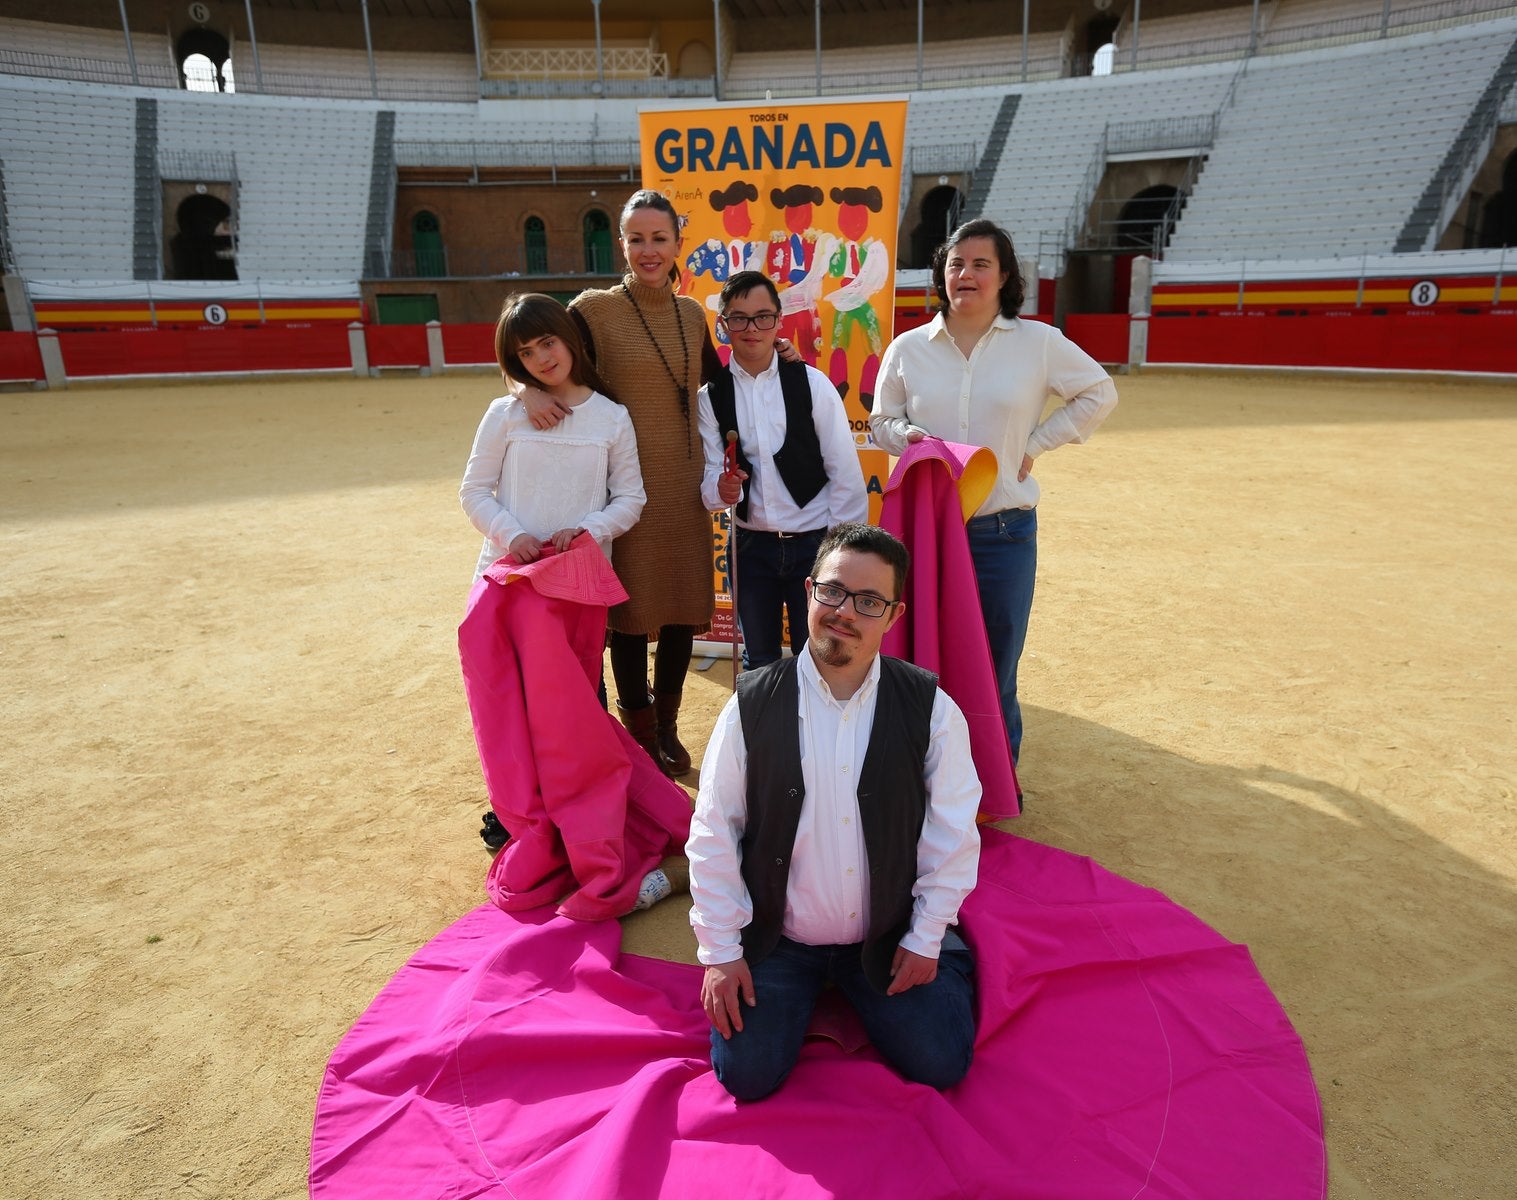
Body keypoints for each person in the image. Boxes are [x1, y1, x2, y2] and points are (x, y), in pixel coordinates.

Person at [686, 523, 982, 1101]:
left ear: (893, 616)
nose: (846, 612)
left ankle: (946, 948)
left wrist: (924, 936)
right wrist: (721, 952)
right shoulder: (750, 703)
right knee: (746, 1076)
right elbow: (714, 829)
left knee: (943, 1059)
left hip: (886, 931)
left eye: (869, 602)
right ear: (808, 591)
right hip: (780, 936)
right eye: (834, 592)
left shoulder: (932, 710)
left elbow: (953, 831)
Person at [869, 218, 1117, 771]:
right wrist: (906, 437)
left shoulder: (1038, 343)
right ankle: (927, 783)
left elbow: (1098, 392)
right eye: (956, 264)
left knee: (997, 668)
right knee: (927, 665)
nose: (967, 274)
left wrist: (1036, 442)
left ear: (1005, 276)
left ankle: (997, 785)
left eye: (982, 264)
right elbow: (880, 421)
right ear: (942, 274)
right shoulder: (909, 348)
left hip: (1002, 535)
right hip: (929, 535)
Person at [520, 190, 722, 778]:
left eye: (659, 238)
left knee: (682, 610)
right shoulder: (592, 310)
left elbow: (718, 380)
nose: (648, 250)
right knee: (630, 617)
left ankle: (668, 727)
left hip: (685, 487)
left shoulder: (691, 315)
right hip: (621, 489)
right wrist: (523, 389)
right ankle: (638, 735)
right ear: (622, 244)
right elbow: (534, 347)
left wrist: (779, 356)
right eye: (636, 238)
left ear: (678, 243)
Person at [460, 292, 647, 848]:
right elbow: (472, 492)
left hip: (575, 584)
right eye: (527, 352)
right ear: (515, 363)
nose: (543, 357)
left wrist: (590, 529)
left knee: (578, 703)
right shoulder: (507, 413)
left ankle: (580, 811)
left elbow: (631, 498)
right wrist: (512, 534)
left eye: (548, 342)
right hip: (509, 579)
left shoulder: (612, 417)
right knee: (507, 701)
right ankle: (514, 810)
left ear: (569, 339)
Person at [697, 270, 868, 671]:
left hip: (814, 545)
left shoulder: (812, 384)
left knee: (821, 659)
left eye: (762, 316)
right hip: (750, 548)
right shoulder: (712, 396)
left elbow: (844, 473)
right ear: (723, 325)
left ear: (778, 321)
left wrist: (838, 553)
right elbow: (708, 484)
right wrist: (721, 489)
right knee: (760, 662)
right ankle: (767, 734)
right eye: (738, 318)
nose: (751, 328)